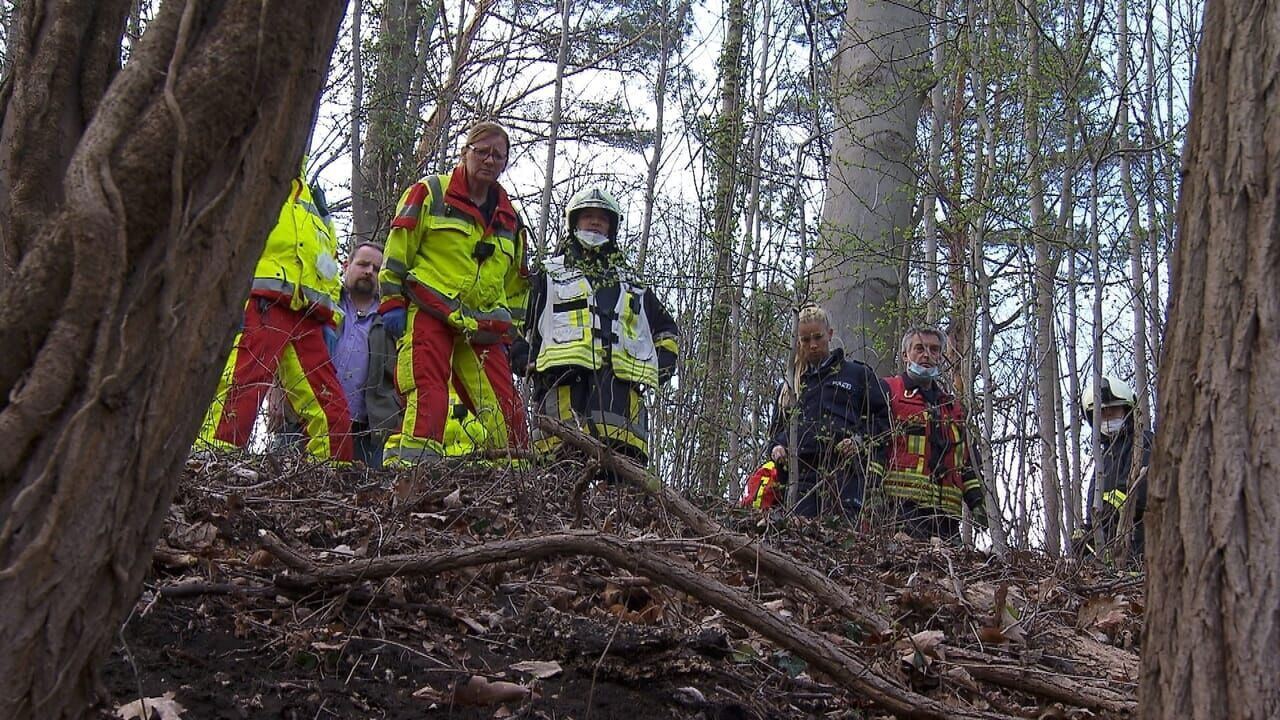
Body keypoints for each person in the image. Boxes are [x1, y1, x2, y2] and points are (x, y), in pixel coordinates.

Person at [377, 122, 531, 465]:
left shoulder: (510, 220)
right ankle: (408, 480)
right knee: (428, 399)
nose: (489, 161)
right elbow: (399, 248)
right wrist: (391, 301)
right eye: (482, 152)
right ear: (465, 153)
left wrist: (511, 337)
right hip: (429, 309)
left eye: (498, 155)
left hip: (484, 327)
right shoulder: (430, 192)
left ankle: (513, 495)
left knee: (508, 416)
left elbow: (516, 285)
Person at [511, 186, 680, 465]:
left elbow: (666, 331)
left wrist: (659, 367)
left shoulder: (633, 285)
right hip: (561, 396)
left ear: (612, 227)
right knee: (556, 485)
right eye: (588, 216)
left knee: (623, 494)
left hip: (621, 404)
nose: (594, 223)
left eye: (602, 218)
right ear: (574, 222)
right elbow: (516, 317)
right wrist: (521, 358)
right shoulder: (549, 274)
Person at [197, 165, 352, 462]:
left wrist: (331, 319)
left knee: (335, 418)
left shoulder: (315, 200)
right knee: (236, 402)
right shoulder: (250, 173)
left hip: (308, 317)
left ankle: (332, 490)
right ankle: (209, 478)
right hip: (259, 304)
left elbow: (331, 263)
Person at [768, 305, 889, 519]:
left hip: (845, 474)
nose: (813, 345)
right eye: (805, 340)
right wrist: (778, 448)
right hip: (800, 476)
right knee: (800, 539)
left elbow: (883, 421)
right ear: (798, 342)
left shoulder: (857, 375)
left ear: (830, 335)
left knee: (840, 541)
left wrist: (859, 440)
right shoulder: (789, 386)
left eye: (818, 337)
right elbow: (775, 433)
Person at [876, 325, 987, 540]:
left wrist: (977, 502)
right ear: (905, 355)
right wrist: (873, 493)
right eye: (919, 348)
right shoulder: (889, 391)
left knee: (948, 571)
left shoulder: (953, 407)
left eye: (934, 350)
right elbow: (876, 445)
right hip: (902, 509)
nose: (927, 355)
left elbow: (965, 462)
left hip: (947, 515)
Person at [1079, 375, 1152, 559]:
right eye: (1102, 413)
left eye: (1113, 411)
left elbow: (1140, 490)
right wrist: (1088, 531)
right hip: (1110, 546)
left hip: (1140, 544)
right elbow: (1093, 504)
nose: (1108, 418)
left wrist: (1106, 513)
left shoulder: (1144, 442)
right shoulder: (1103, 457)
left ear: (1127, 411)